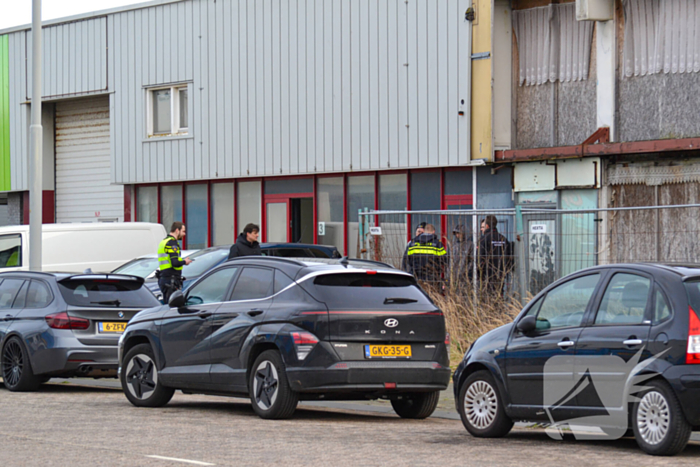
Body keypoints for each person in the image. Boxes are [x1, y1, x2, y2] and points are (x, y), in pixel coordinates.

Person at [157, 222, 193, 303]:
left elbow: (169, 260)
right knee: (172, 308)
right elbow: (174, 263)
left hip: (165, 279)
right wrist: (184, 262)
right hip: (171, 280)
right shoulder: (172, 243)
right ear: (177, 230)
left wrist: (182, 260)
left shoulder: (164, 241)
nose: (184, 234)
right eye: (183, 231)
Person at [478, 215, 511, 293]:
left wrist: (480, 275)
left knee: (488, 297)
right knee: (499, 295)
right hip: (501, 274)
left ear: (487, 226)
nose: (481, 229)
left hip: (487, 275)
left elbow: (479, 258)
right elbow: (509, 257)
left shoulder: (483, 239)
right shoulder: (503, 239)